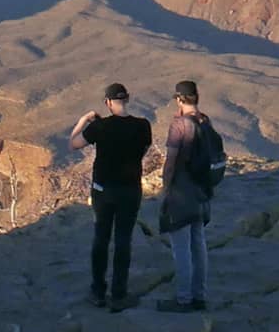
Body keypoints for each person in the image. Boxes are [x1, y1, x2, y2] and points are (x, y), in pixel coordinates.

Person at [68, 81, 154, 312]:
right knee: (123, 240)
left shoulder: (100, 127)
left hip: (103, 190)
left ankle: (97, 291)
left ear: (107, 103)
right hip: (130, 190)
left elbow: (73, 144)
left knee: (101, 238)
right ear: (127, 99)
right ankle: (118, 294)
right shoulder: (143, 126)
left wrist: (84, 120)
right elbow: (143, 151)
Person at [153, 78, 225, 312]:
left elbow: (171, 162)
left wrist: (165, 191)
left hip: (182, 195)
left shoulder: (180, 125)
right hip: (202, 193)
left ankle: (183, 299)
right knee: (198, 245)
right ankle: (199, 296)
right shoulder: (205, 121)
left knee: (181, 249)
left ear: (180, 99)